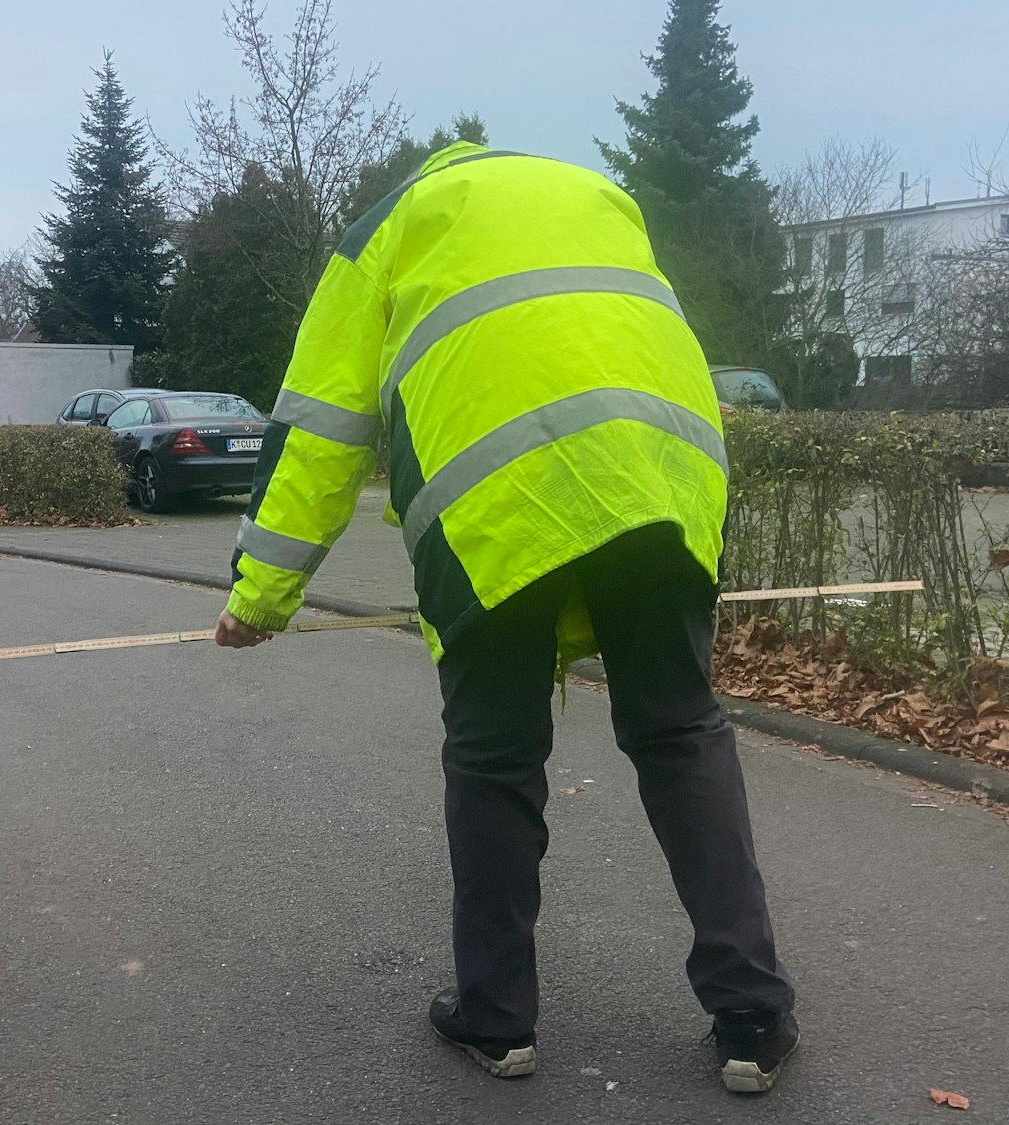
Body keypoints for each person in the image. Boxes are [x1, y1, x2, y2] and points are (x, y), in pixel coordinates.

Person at [212, 141, 797, 1094]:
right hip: (660, 478)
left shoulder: (387, 229)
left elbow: (322, 426)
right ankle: (753, 1016)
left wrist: (260, 594)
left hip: (494, 502)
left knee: (494, 757)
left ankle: (496, 1018)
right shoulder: (599, 195)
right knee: (682, 732)